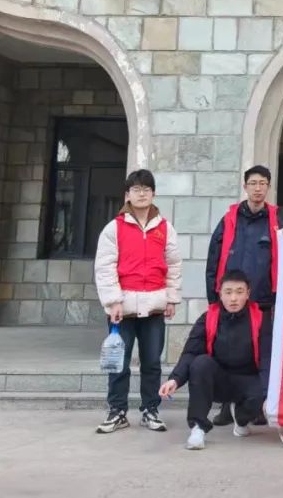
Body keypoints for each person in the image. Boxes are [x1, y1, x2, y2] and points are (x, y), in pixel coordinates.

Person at [93, 169, 182, 434]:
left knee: (152, 362)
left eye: (146, 189)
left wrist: (171, 299)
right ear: (127, 195)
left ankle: (150, 410)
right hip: (122, 308)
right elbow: (105, 267)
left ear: (153, 193)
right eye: (136, 189)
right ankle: (117, 411)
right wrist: (113, 301)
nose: (141, 194)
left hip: (154, 307)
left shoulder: (165, 228)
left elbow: (174, 265)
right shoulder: (114, 228)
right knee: (118, 362)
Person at [205, 165, 283, 426]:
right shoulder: (229, 219)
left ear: (269, 187)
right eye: (253, 183)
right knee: (227, 354)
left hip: (263, 301)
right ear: (245, 186)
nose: (258, 188)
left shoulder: (277, 221)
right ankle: (226, 407)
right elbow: (213, 257)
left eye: (263, 183)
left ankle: (256, 405)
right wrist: (213, 297)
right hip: (230, 302)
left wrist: (279, 299)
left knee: (260, 356)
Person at [159, 270, 272, 450]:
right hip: (220, 380)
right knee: (200, 363)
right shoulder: (208, 318)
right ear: (220, 293)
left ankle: (241, 419)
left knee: (264, 393)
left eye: (239, 292)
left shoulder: (260, 318)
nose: (233, 298)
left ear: (248, 294)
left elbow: (267, 358)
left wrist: (268, 395)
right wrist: (176, 379)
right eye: (228, 292)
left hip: (249, 379)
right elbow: (190, 353)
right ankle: (198, 428)